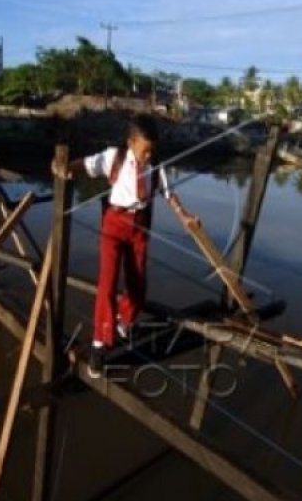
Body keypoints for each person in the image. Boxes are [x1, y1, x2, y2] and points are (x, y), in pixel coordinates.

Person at [56, 114, 197, 377]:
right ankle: (100, 343)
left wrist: (184, 215)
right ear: (131, 142)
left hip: (140, 227)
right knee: (107, 283)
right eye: (144, 150)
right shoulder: (114, 157)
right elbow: (85, 164)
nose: (147, 156)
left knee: (138, 284)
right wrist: (63, 166)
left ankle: (122, 322)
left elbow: (168, 194)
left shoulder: (155, 164)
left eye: (151, 151)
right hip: (114, 223)